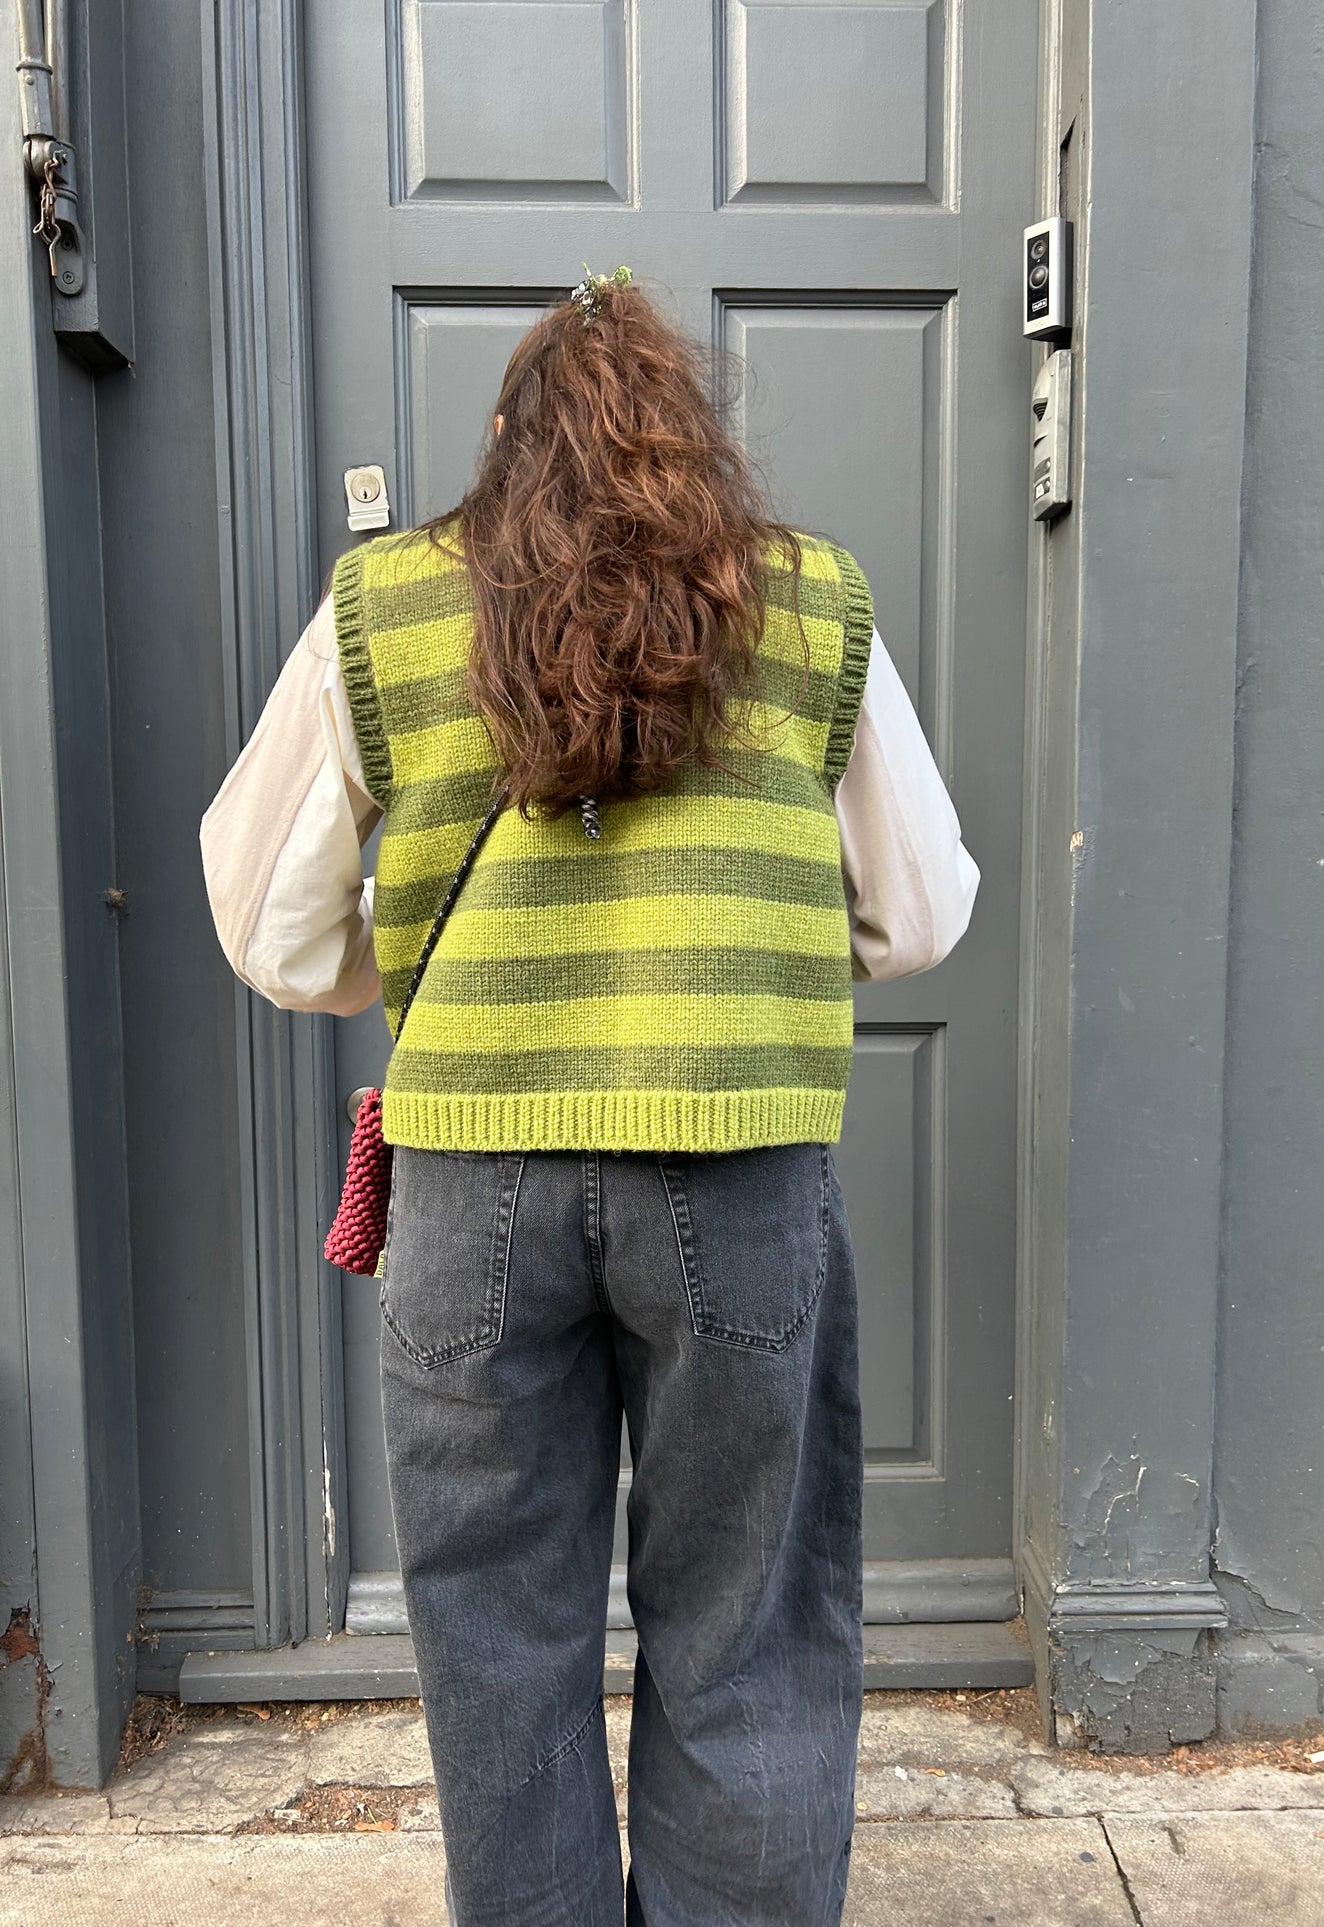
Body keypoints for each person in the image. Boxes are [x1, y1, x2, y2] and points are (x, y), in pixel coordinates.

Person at [200, 267, 980, 1927]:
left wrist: (429, 976)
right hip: (740, 1177)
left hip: (472, 1190)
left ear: (504, 445)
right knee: (747, 1626)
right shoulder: (808, 603)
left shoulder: (388, 605)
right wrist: (735, 955)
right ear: (695, 443)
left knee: (498, 1639)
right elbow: (914, 914)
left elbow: (273, 925)